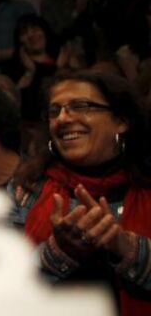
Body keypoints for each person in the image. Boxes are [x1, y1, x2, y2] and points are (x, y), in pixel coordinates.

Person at [10, 71, 151, 315]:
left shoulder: (147, 186)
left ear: (121, 120)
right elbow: (2, 284)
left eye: (81, 106)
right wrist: (61, 252)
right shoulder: (27, 189)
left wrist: (126, 247)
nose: (63, 118)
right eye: (55, 111)